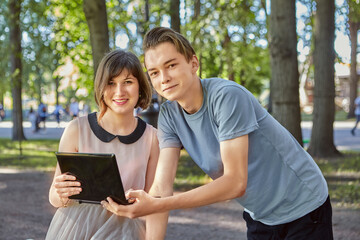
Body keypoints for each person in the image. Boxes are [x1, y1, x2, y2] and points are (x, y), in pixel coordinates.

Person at [101, 27, 334, 240]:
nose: (164, 78)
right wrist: (145, 203)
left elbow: (235, 183)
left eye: (171, 65)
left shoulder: (226, 97)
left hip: (305, 207)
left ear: (193, 63)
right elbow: (161, 188)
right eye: (154, 72)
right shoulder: (170, 115)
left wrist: (158, 205)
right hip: (261, 215)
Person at [45, 50, 159, 240]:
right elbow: (55, 199)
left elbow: (153, 203)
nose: (119, 91)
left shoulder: (152, 138)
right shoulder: (76, 129)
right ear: (101, 87)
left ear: (140, 86)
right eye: (111, 83)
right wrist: (60, 192)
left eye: (128, 82)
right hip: (75, 230)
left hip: (126, 232)